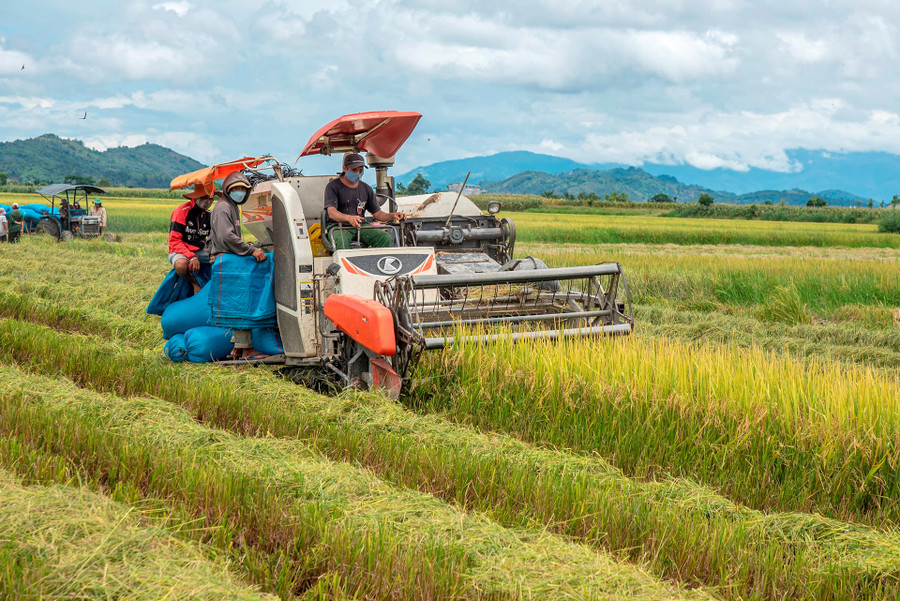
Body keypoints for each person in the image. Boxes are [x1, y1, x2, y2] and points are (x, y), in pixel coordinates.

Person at [209, 171, 268, 360]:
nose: (240, 192)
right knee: (243, 302)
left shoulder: (232, 207)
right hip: (226, 260)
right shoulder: (223, 208)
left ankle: (237, 347)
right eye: (236, 189)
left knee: (236, 303)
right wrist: (251, 251)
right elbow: (227, 237)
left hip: (230, 258)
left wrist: (248, 245)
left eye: (243, 189)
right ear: (228, 190)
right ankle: (246, 349)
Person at [324, 152, 405, 249]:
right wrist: (349, 218)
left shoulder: (366, 189)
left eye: (360, 170)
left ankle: (380, 263)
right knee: (340, 242)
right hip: (338, 227)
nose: (358, 173)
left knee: (385, 238)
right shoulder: (333, 187)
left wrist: (393, 215)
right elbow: (331, 213)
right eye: (354, 170)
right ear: (345, 168)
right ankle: (342, 264)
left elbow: (377, 214)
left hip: (361, 226)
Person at [168, 183, 215, 294]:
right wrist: (192, 257)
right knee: (181, 265)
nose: (207, 201)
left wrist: (215, 254)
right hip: (181, 250)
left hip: (201, 250)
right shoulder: (181, 211)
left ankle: (214, 288)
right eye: (204, 197)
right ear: (196, 197)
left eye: (211, 198)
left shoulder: (209, 215)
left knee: (220, 260)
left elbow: (213, 239)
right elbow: (174, 241)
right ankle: (195, 284)